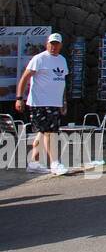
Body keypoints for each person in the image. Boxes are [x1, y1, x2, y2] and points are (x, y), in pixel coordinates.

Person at [15, 32, 69, 176]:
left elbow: (62, 82)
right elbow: (25, 78)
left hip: (55, 102)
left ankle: (33, 163)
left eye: (56, 44)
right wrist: (19, 97)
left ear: (61, 45)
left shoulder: (62, 60)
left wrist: (63, 101)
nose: (53, 47)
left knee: (42, 132)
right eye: (51, 44)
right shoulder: (39, 59)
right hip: (40, 103)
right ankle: (55, 163)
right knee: (50, 132)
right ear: (47, 44)